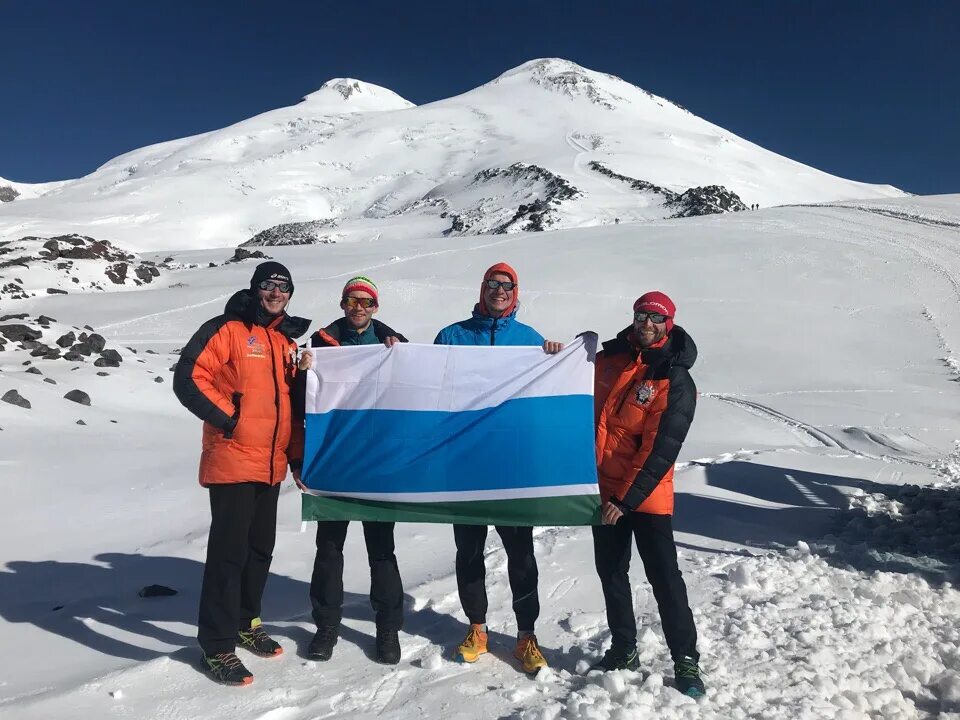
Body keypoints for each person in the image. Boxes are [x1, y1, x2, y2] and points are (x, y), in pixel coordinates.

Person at [173, 261, 310, 686]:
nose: (275, 293)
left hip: (270, 464)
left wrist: (297, 456)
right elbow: (188, 378)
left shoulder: (284, 341)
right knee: (228, 555)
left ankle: (245, 622)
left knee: (259, 549)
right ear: (255, 289)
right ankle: (216, 646)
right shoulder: (227, 329)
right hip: (233, 458)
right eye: (268, 286)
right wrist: (231, 418)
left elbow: (290, 405)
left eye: (283, 287)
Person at [434, 262, 564, 675]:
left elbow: (548, 398)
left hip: (511, 468)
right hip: (466, 467)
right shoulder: (452, 336)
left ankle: (526, 636)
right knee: (468, 552)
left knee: (520, 553)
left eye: (507, 285)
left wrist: (557, 360)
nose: (499, 290)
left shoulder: (530, 341)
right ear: (482, 288)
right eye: (492, 283)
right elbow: (427, 388)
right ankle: (477, 629)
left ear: (516, 291)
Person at [588, 290, 705, 697]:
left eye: (656, 318)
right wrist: (565, 352)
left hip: (645, 496)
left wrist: (626, 500)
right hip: (603, 493)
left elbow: (660, 449)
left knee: (664, 579)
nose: (647, 324)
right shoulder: (610, 360)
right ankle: (624, 648)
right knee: (612, 573)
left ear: (668, 323)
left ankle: (686, 660)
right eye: (641, 316)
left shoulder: (674, 378)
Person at [295, 276, 408, 665]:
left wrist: (401, 356)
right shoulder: (320, 344)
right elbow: (300, 403)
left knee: (382, 550)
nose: (358, 307)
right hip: (333, 462)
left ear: (375, 307)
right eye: (351, 300)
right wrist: (303, 371)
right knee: (329, 549)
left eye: (366, 301)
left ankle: (388, 629)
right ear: (343, 304)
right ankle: (326, 626)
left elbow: (415, 393)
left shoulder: (395, 345)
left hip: (377, 464)